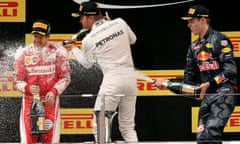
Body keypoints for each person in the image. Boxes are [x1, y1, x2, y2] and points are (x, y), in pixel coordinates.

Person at [155, 4, 238, 144]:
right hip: (207, 96)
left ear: (203, 20)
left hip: (224, 93)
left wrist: (209, 84)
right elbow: (188, 78)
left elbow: (231, 71)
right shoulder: (193, 47)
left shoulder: (220, 40)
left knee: (211, 132)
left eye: (191, 21)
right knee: (202, 138)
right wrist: (167, 83)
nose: (188, 25)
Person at [65, 1, 138, 143]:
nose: (80, 21)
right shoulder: (119, 23)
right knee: (128, 128)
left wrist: (73, 48)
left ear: (91, 18)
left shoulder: (89, 39)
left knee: (100, 127)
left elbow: (86, 64)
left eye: (81, 17)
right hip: (131, 81)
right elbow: (133, 40)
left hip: (112, 82)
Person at [13, 19, 71, 144]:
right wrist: (28, 88)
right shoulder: (22, 54)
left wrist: (54, 91)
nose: (37, 40)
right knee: (28, 141)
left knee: (50, 141)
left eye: (41, 37)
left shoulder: (58, 53)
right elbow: (17, 80)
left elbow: (65, 77)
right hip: (30, 103)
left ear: (48, 37)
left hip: (49, 102)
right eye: (35, 36)